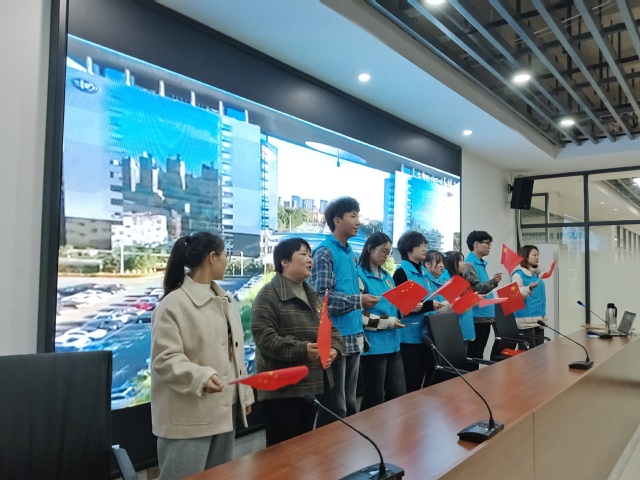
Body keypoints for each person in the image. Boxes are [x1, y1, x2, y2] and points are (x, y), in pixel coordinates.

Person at [150, 232, 254, 480]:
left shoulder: (226, 300)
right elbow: (164, 359)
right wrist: (201, 377)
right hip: (188, 419)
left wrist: (244, 394)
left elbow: (235, 353)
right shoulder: (173, 304)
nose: (227, 261)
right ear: (212, 257)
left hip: (223, 412)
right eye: (225, 255)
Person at [251, 238, 343, 446]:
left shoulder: (313, 295)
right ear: (284, 262)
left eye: (310, 255)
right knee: (281, 451)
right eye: (303, 254)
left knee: (302, 449)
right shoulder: (268, 294)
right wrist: (302, 349)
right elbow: (264, 338)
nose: (310, 259)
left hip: (311, 385)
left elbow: (332, 330)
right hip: (283, 389)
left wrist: (334, 350)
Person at [311, 196, 379, 425]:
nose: (358, 221)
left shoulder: (350, 253)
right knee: (335, 406)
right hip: (334, 339)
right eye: (353, 216)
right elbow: (322, 298)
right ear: (337, 221)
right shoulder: (324, 252)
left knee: (349, 403)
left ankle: (346, 445)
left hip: (353, 334)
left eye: (358, 215)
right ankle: (327, 446)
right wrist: (359, 300)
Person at [357, 232, 406, 410]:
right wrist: (388, 322)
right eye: (383, 251)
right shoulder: (359, 275)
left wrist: (406, 307)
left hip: (393, 343)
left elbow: (393, 307)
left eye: (389, 252)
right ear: (370, 249)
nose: (386, 256)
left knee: (398, 393)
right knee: (374, 397)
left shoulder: (387, 277)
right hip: (373, 346)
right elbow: (359, 316)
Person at [393, 231, 444, 392]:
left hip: (426, 334)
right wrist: (429, 305)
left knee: (422, 382)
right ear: (409, 248)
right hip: (409, 337)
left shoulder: (424, 274)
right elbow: (404, 307)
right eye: (420, 245)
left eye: (425, 245)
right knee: (410, 383)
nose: (424, 248)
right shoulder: (401, 273)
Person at [462, 231, 502, 367]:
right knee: (474, 355)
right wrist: (493, 282)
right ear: (476, 244)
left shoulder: (479, 263)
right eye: (487, 243)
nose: (489, 246)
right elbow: (475, 290)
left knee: (478, 354)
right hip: (477, 316)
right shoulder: (469, 264)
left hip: (485, 315)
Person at [511, 245, 546, 347]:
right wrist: (529, 288)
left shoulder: (536, 275)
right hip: (525, 320)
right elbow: (516, 296)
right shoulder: (518, 274)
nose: (537, 257)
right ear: (525, 257)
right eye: (534, 255)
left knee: (539, 353)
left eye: (538, 255)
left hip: (539, 319)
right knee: (527, 354)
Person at [443, 251, 476, 345]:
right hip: (455, 329)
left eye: (463, 260)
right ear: (451, 262)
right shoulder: (446, 280)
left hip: (465, 327)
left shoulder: (460, 279)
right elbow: (451, 306)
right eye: (460, 260)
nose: (464, 263)